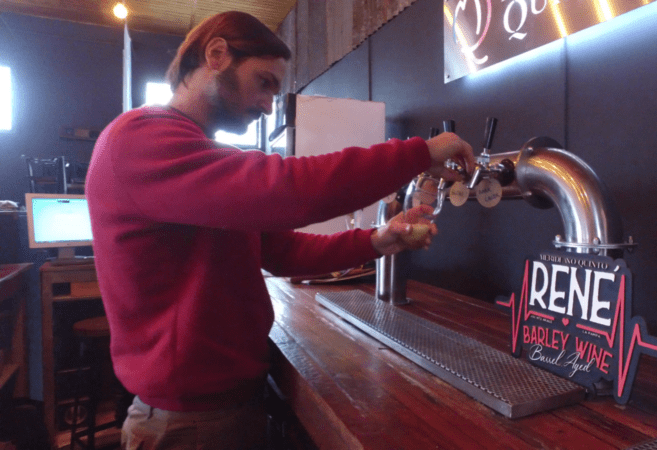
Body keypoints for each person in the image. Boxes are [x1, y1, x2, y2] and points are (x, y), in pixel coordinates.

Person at [84, 10, 475, 450]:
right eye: (264, 82)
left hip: (219, 409)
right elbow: (288, 189)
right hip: (189, 424)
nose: (269, 104)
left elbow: (281, 250)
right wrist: (417, 154)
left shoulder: (193, 152)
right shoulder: (139, 140)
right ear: (217, 55)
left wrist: (377, 240)